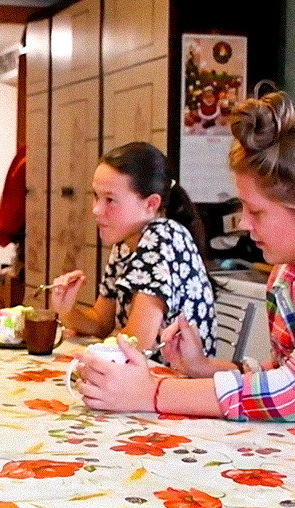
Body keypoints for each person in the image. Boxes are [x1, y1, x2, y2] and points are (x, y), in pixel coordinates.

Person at [76, 92, 295, 476]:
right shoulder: (289, 273)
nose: (245, 225)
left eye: (256, 211)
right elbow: (281, 373)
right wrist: (203, 367)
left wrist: (150, 393)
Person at [49, 142, 216, 354]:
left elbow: (138, 341)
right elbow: (101, 322)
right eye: (96, 196)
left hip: (174, 379)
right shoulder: (125, 244)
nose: (96, 210)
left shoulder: (161, 236)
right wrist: (66, 309)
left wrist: (114, 335)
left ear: (151, 205)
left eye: (110, 200)